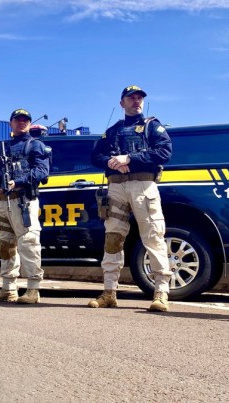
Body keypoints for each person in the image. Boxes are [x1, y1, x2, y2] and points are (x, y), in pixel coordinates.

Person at [88, 85, 173, 311]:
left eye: (139, 98)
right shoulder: (113, 130)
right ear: (122, 103)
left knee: (153, 236)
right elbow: (95, 155)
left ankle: (161, 293)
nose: (136, 101)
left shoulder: (153, 126)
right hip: (116, 187)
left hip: (143, 186)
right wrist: (110, 161)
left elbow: (164, 152)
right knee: (112, 238)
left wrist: (129, 158)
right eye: (131, 98)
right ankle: (109, 292)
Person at [0, 108, 50, 304]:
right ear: (10, 123)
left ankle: (33, 290)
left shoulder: (35, 145)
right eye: (17, 119)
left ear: (29, 123)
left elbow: (42, 172)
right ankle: (8, 289)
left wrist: (18, 182)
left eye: (25, 120)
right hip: (1, 201)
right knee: (5, 245)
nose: (21, 122)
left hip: (23, 200)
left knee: (28, 243)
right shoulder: (2, 147)